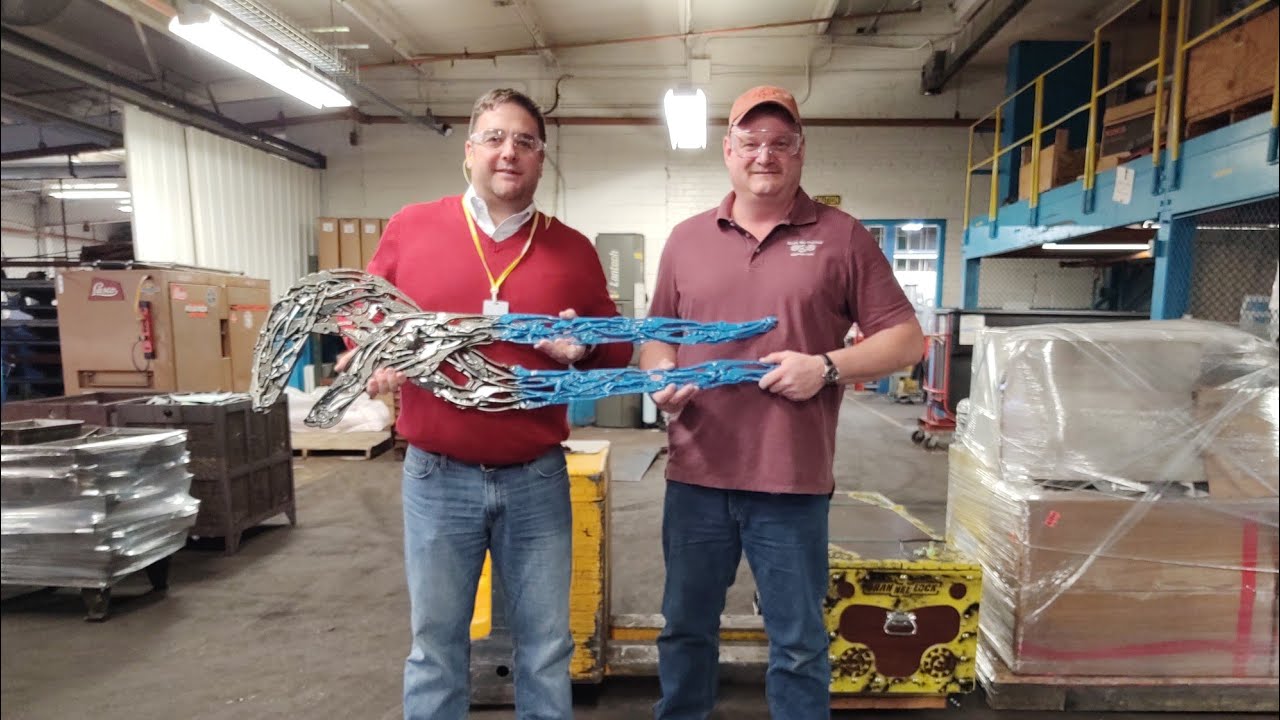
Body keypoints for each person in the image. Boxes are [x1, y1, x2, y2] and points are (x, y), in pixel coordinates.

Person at [639, 86, 924, 719]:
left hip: (790, 480)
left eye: (780, 143)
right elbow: (658, 335)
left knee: (797, 642)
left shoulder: (842, 237)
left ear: (800, 151)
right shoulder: (687, 239)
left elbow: (907, 340)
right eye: (750, 142)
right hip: (697, 476)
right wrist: (660, 378)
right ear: (727, 149)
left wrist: (826, 367)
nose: (764, 155)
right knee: (685, 630)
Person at [348, 88, 632, 720]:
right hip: (437, 476)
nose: (510, 152)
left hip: (536, 478)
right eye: (496, 138)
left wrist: (583, 346)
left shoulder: (572, 248)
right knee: (436, 646)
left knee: (546, 647)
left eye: (525, 142)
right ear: (470, 150)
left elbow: (617, 347)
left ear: (541, 159)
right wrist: (376, 351)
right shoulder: (412, 227)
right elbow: (363, 311)